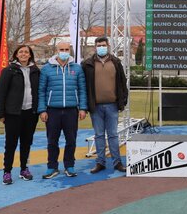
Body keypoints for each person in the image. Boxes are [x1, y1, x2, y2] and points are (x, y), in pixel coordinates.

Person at [38, 41, 88, 179]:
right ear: (57, 50)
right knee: (52, 141)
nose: (64, 52)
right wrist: (42, 110)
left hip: (71, 110)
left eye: (66, 49)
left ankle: (69, 166)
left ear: (70, 50)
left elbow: (82, 89)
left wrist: (83, 108)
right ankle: (52, 167)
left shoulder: (77, 68)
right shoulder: (46, 69)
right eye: (62, 49)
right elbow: (41, 91)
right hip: (52, 110)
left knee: (71, 140)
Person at [0, 45, 40, 185]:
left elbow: (39, 91)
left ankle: (24, 169)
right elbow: (1, 93)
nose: (24, 54)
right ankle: (7, 171)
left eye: (26, 52)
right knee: (11, 144)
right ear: (16, 55)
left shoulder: (36, 71)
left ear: (30, 55)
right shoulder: (9, 70)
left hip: (30, 113)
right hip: (13, 113)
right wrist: (0, 113)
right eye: (21, 52)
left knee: (26, 143)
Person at [82, 36, 128, 174]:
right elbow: (83, 85)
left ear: (108, 46)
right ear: (95, 47)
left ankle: (117, 162)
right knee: (99, 135)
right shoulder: (87, 64)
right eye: (99, 45)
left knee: (113, 135)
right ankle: (100, 162)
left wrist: (123, 101)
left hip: (112, 105)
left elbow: (122, 82)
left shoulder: (116, 62)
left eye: (103, 45)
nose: (101, 47)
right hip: (95, 106)